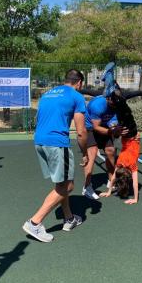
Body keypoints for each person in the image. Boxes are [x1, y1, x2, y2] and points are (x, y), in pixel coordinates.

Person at [23, 69, 88, 243]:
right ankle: (34, 222)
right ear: (79, 83)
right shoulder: (76, 96)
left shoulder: (48, 94)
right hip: (57, 143)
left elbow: (39, 118)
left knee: (61, 183)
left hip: (40, 141)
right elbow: (81, 132)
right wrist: (85, 153)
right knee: (67, 186)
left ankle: (69, 219)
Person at [98, 64, 141, 205]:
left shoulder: (132, 166)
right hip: (129, 134)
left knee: (121, 107)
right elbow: (113, 178)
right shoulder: (120, 163)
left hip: (131, 133)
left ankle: (109, 80)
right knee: (120, 106)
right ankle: (109, 81)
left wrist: (135, 198)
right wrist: (109, 191)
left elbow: (130, 182)